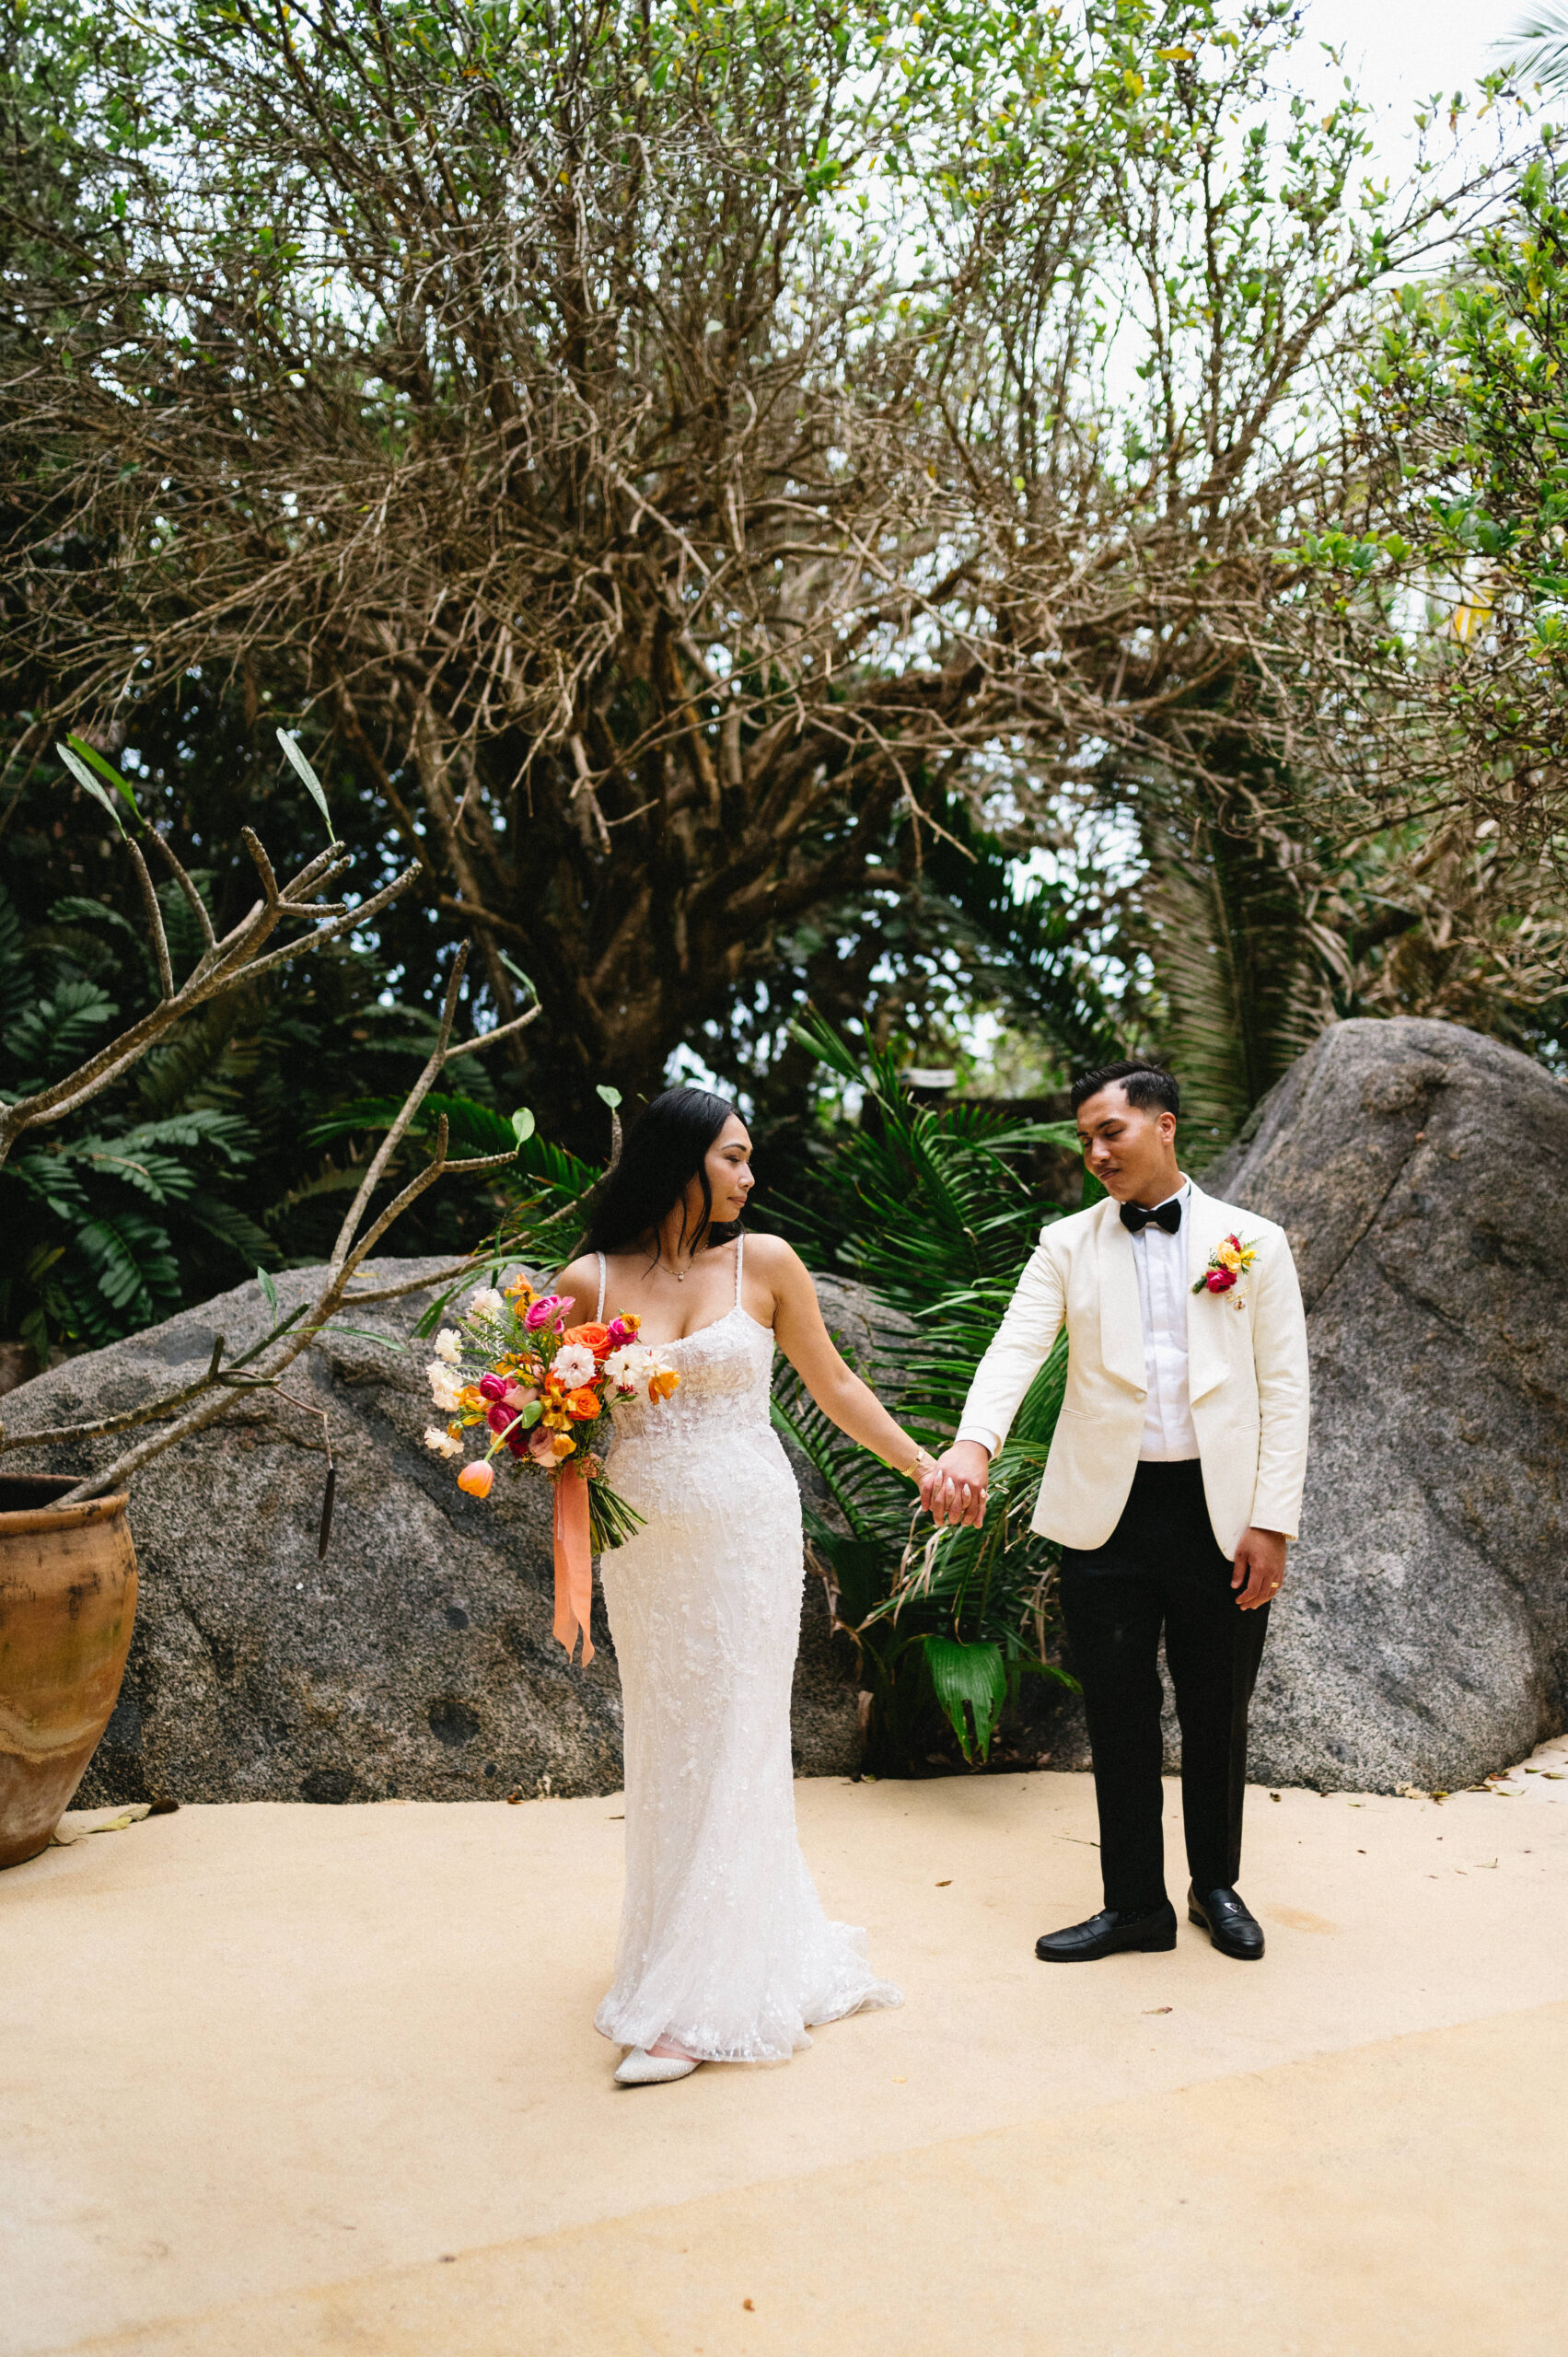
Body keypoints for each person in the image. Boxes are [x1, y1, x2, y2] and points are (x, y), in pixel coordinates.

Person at [554, 1086, 916, 2085]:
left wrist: (918, 1465)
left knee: (736, 1733)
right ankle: (678, 1945)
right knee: (669, 1735)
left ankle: (694, 2007)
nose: (749, 1178)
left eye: (748, 1159)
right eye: (733, 1158)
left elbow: (835, 1385)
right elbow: (557, 1423)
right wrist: (541, 1447)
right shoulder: (584, 1282)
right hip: (645, 1552)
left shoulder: (764, 1265)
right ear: (679, 1159)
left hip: (746, 1537)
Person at [923, 1062, 1308, 1965]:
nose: (1094, 1152)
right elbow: (1015, 1345)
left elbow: (1284, 1388)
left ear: (1163, 1126)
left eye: (1111, 1132)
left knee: (1218, 1710)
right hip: (1104, 1516)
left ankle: (1214, 1885)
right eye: (1084, 1139)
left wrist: (1271, 1520)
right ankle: (1133, 1904)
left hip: (1220, 1516)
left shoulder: (1251, 1242)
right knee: (1118, 1711)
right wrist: (971, 1443)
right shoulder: (1064, 1245)